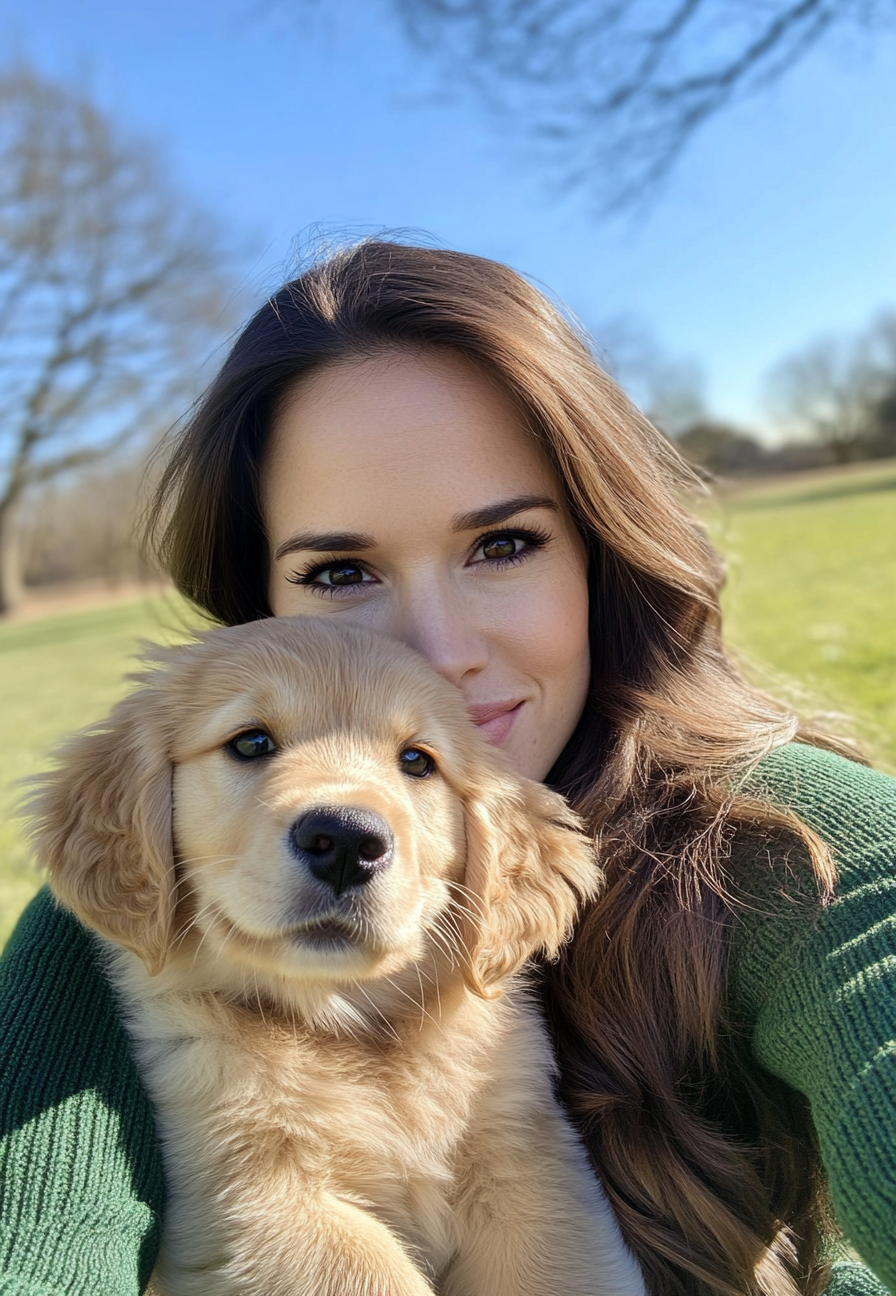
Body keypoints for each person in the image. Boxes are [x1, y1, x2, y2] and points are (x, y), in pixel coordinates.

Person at [0, 239, 893, 1296]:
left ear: (601, 548)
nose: (433, 650)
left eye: (502, 544)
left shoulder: (797, 841)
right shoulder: (140, 892)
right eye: (339, 570)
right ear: (257, 595)